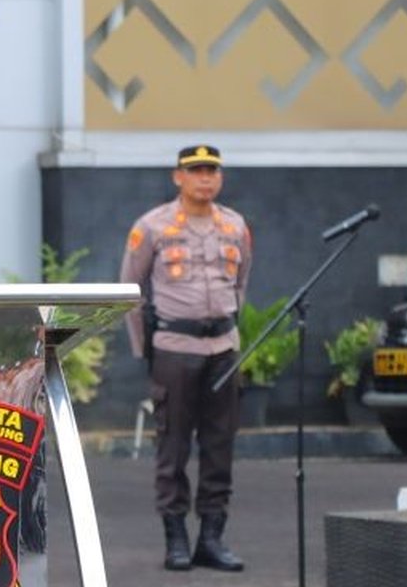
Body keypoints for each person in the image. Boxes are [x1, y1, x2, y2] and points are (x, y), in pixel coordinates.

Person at [119, 144, 252, 572]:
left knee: (220, 446)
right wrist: (145, 350)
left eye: (212, 170)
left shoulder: (235, 225)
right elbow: (130, 292)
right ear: (178, 176)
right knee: (173, 446)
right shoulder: (152, 226)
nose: (205, 178)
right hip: (175, 349)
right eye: (195, 170)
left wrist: (228, 327)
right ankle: (175, 538)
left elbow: (241, 285)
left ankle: (212, 538)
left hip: (223, 350)